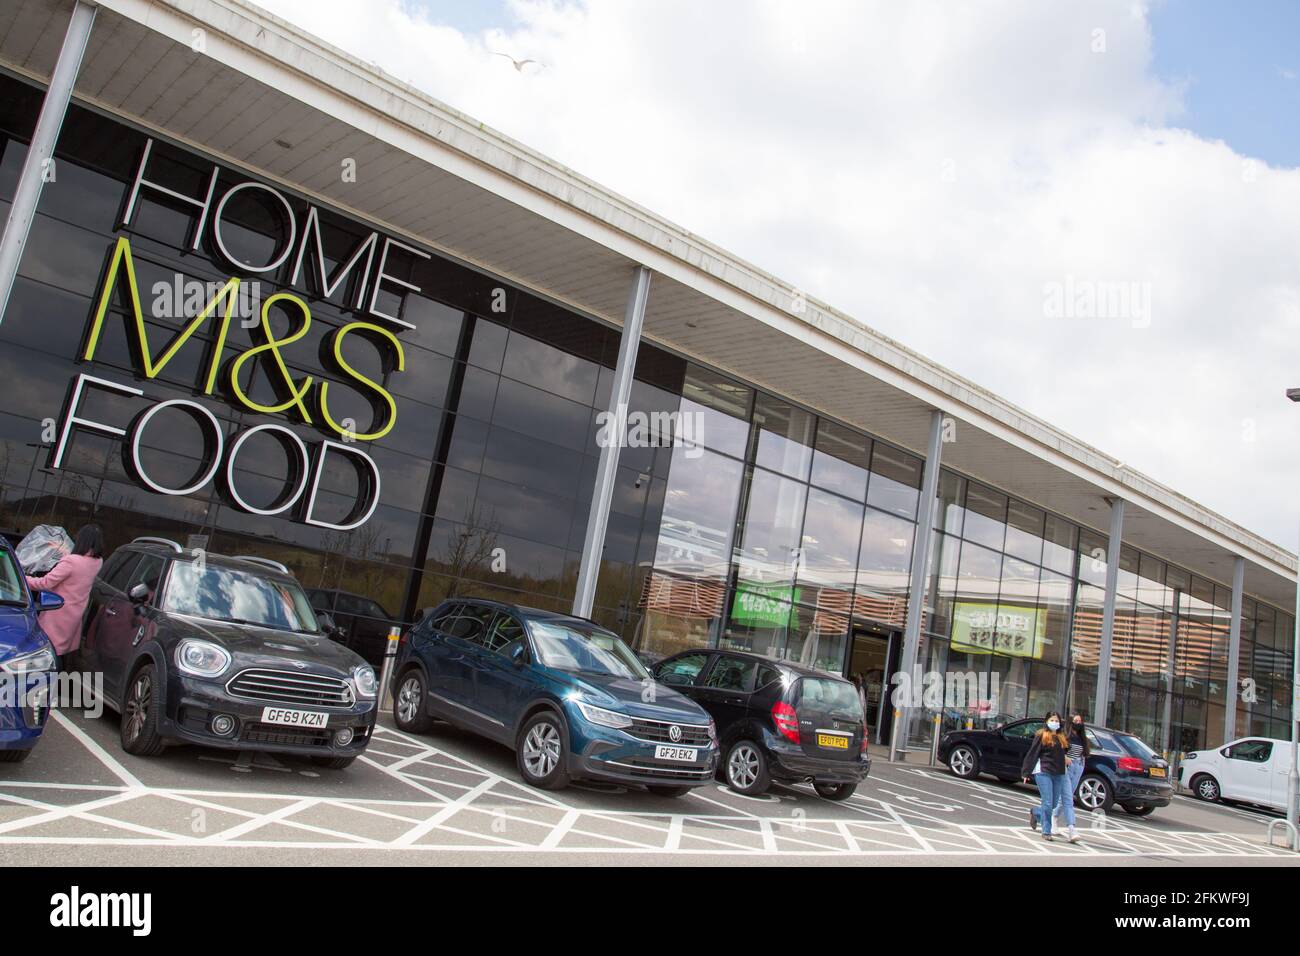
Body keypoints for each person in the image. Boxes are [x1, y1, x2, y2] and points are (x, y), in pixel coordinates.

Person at [23, 524, 104, 660]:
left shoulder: (71, 561)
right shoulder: (98, 562)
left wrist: (21, 577)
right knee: (60, 653)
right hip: (74, 615)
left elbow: (44, 583)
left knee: (45, 651)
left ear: (81, 540)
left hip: (57, 612)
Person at [1021, 710, 1075, 842]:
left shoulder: (1061, 737)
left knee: (1053, 803)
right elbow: (1033, 753)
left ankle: (1036, 812)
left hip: (1059, 773)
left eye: (1057, 720)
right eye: (1052, 720)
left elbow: (1064, 752)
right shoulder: (1042, 735)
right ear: (1046, 721)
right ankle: (1046, 831)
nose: (1054, 722)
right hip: (1044, 772)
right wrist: (1026, 772)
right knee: (1048, 802)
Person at [1054, 713, 1090, 840]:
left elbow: (1084, 753)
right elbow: (1059, 751)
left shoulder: (1082, 737)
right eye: (1076, 721)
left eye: (1080, 721)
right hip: (1067, 768)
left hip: (1078, 767)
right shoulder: (1065, 735)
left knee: (1066, 797)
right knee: (1068, 798)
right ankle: (1071, 828)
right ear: (1070, 722)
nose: (1078, 723)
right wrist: (1064, 758)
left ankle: (1046, 816)